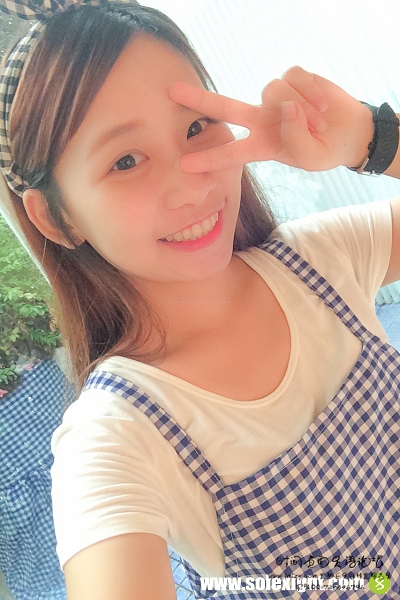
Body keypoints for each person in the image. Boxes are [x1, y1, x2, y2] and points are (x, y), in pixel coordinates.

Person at [0, 1, 398, 599]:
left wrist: (370, 138)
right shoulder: (117, 435)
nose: (189, 184)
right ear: (56, 218)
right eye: (125, 161)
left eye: (195, 128)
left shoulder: (322, 259)